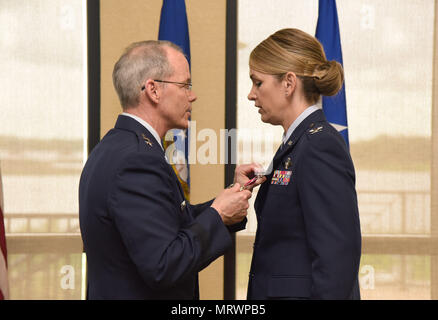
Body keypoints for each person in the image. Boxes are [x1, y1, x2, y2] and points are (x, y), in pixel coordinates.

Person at [79, 40, 259, 299]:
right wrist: (218, 215)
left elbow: (165, 221)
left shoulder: (116, 145)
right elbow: (164, 265)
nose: (192, 95)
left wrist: (230, 197)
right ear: (153, 90)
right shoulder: (137, 160)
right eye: (185, 85)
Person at [246, 28, 362, 300]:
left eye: (257, 83)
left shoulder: (319, 146)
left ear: (288, 83)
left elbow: (337, 261)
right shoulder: (296, 143)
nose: (251, 95)